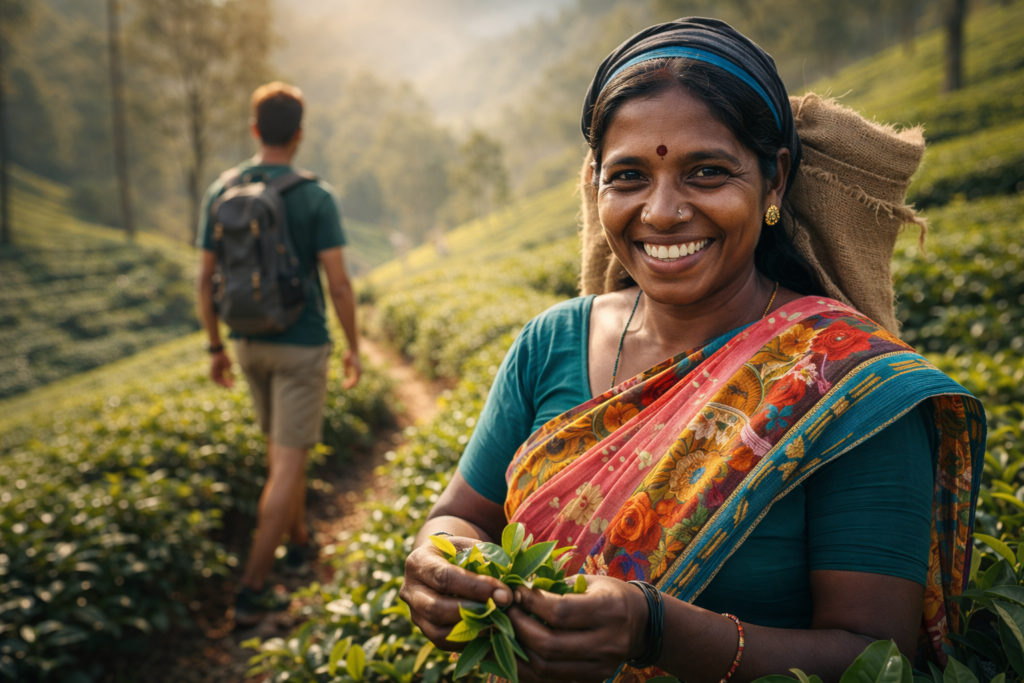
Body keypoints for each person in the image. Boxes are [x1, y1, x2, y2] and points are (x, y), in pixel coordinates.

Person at [399, 19, 986, 683]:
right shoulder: (550, 342)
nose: (663, 211)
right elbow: (458, 515)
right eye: (628, 176)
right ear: (597, 188)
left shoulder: (844, 386)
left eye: (706, 172)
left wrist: (654, 629)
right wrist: (440, 562)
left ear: (774, 182)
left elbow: (879, 660)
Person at [196, 81, 362, 626]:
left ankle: (297, 539)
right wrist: (354, 347)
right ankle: (251, 591)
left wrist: (216, 347)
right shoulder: (314, 196)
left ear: (254, 130)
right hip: (300, 345)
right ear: (298, 134)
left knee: (279, 452)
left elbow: (205, 280)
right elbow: (338, 284)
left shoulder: (222, 190)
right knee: (288, 464)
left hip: (246, 343)